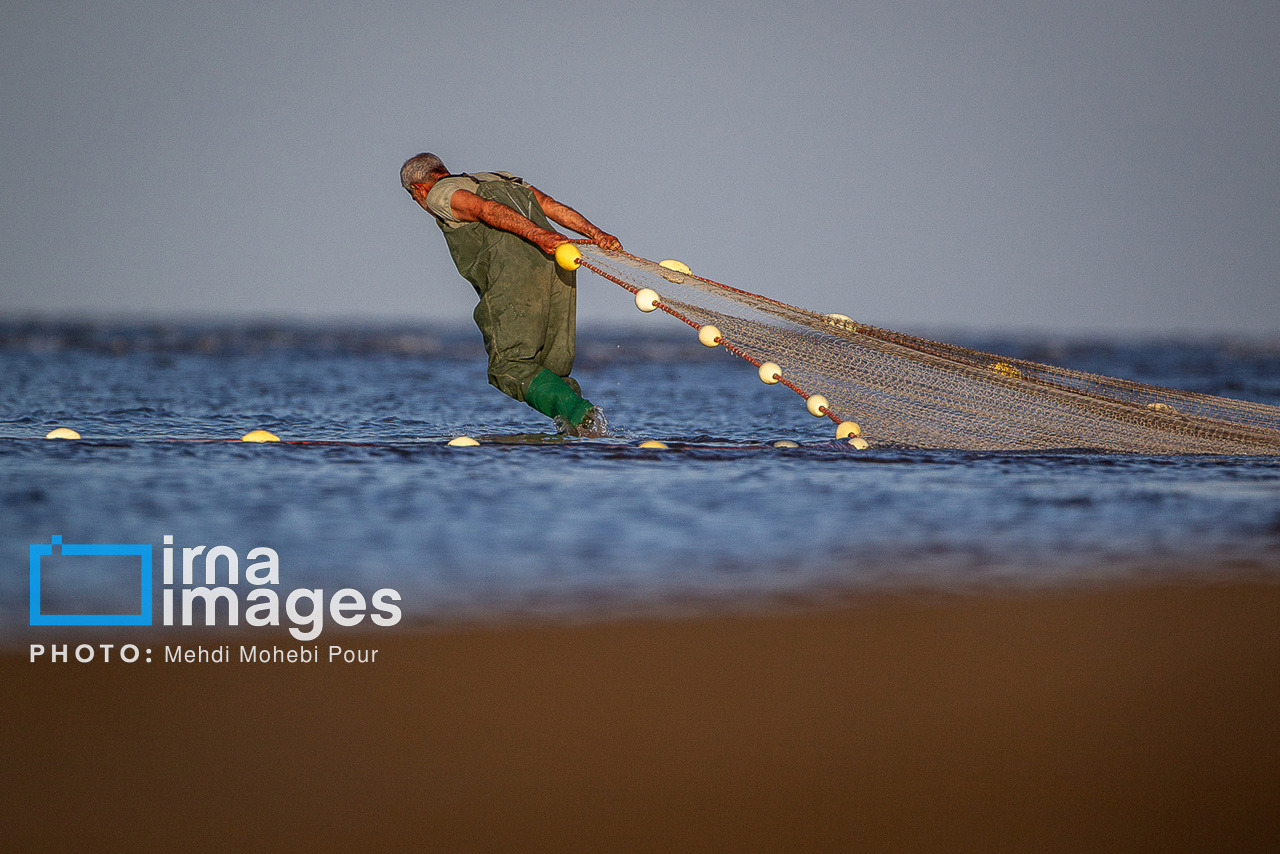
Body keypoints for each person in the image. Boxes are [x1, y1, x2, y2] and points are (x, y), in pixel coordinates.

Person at [401, 153, 622, 436]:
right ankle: (583, 436)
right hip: (558, 269)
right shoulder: (499, 178)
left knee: (508, 365)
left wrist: (539, 237)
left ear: (418, 189)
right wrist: (595, 233)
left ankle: (583, 418)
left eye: (414, 198)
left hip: (516, 274)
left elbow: (484, 210)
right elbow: (550, 206)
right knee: (551, 370)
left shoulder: (439, 193)